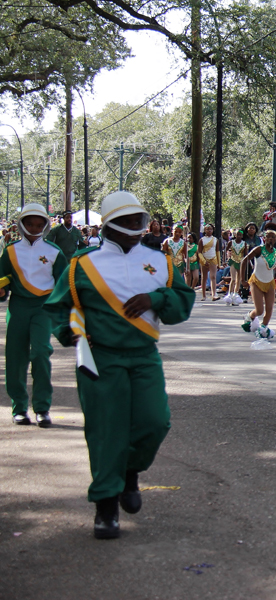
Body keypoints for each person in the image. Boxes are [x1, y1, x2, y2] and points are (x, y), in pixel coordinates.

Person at [43, 190, 194, 539]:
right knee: (106, 431)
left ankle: (130, 472)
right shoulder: (82, 264)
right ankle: (105, 505)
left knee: (155, 423)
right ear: (107, 227)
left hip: (144, 356)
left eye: (136, 220)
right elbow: (56, 307)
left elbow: (182, 303)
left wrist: (157, 298)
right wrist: (73, 337)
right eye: (122, 221)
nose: (131, 227)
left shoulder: (160, 262)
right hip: (101, 359)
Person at [0, 204, 67, 426]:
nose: (34, 228)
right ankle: (19, 408)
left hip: (43, 308)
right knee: (16, 357)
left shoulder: (54, 252)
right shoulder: (10, 250)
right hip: (18, 307)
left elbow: (63, 284)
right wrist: (2, 291)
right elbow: (4, 279)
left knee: (40, 353)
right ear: (21, 224)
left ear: (46, 226)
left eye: (39, 225)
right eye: (29, 224)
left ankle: (42, 408)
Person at [240, 229, 276, 339]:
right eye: (268, 236)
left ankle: (263, 328)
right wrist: (242, 279)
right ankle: (250, 316)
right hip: (256, 281)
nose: (270, 239)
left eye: (273, 237)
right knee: (259, 310)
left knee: (269, 308)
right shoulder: (258, 249)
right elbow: (244, 261)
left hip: (270, 283)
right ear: (264, 238)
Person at [224, 229, 247, 306]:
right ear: (235, 235)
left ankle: (235, 294)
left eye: (240, 235)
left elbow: (246, 254)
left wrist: (246, 263)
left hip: (240, 262)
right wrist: (225, 259)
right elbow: (225, 250)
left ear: (242, 236)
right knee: (233, 279)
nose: (239, 236)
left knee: (238, 280)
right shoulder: (231, 242)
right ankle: (230, 294)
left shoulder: (244, 244)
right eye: (238, 234)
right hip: (233, 261)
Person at [199, 224, 220, 301]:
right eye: (207, 229)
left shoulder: (215, 240)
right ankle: (203, 295)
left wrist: (219, 263)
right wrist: (204, 261)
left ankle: (214, 294)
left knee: (213, 277)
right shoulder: (202, 240)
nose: (209, 231)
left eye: (210, 229)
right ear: (204, 230)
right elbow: (199, 252)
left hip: (213, 259)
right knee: (204, 277)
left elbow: (217, 251)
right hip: (204, 259)